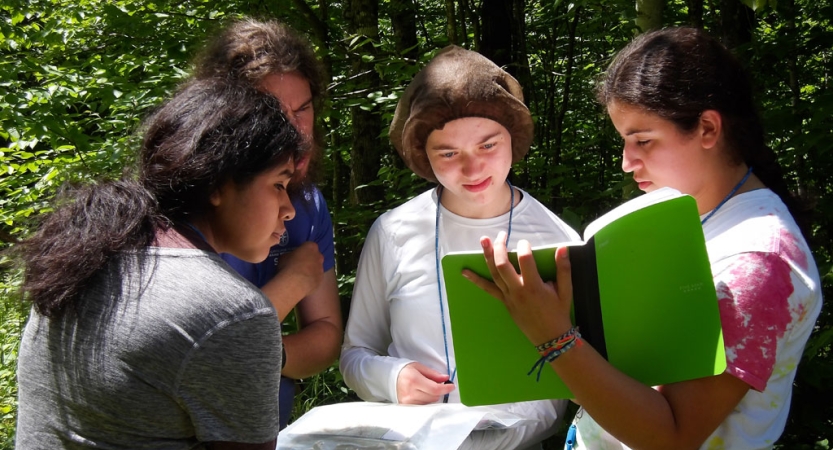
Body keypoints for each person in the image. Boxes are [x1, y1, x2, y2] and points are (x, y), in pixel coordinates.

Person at [467, 27, 823, 449]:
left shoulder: (759, 260)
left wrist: (555, 337)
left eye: (643, 140)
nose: (626, 162)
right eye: (623, 140)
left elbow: (671, 438)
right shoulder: (680, 214)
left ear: (708, 128)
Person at [15, 78, 305, 448]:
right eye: (279, 185)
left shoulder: (84, 257)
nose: (290, 210)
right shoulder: (233, 313)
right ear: (218, 184)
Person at [339, 45, 581, 449]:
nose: (472, 169)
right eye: (448, 153)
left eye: (488, 145)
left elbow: (593, 374)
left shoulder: (557, 239)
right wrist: (392, 379)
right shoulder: (394, 231)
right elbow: (355, 355)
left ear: (514, 139)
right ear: (423, 156)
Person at [192, 18, 342, 429]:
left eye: (305, 108)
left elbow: (327, 337)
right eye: (274, 113)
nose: (298, 130)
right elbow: (198, 352)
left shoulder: (309, 203)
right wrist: (292, 283)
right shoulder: (189, 207)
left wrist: (256, 354)